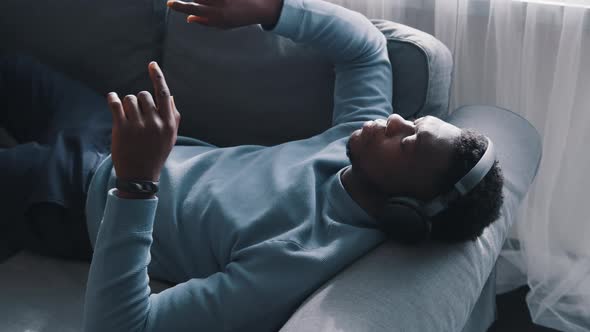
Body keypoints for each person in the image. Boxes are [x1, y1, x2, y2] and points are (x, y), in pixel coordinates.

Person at [0, 0, 504, 330]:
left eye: (409, 143)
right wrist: (271, 9)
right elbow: (367, 51)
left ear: (404, 210)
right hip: (112, 132)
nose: (394, 119)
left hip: (69, 198)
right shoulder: (353, 145)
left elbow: (123, 325)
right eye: (413, 122)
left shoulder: (298, 256)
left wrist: (137, 183)